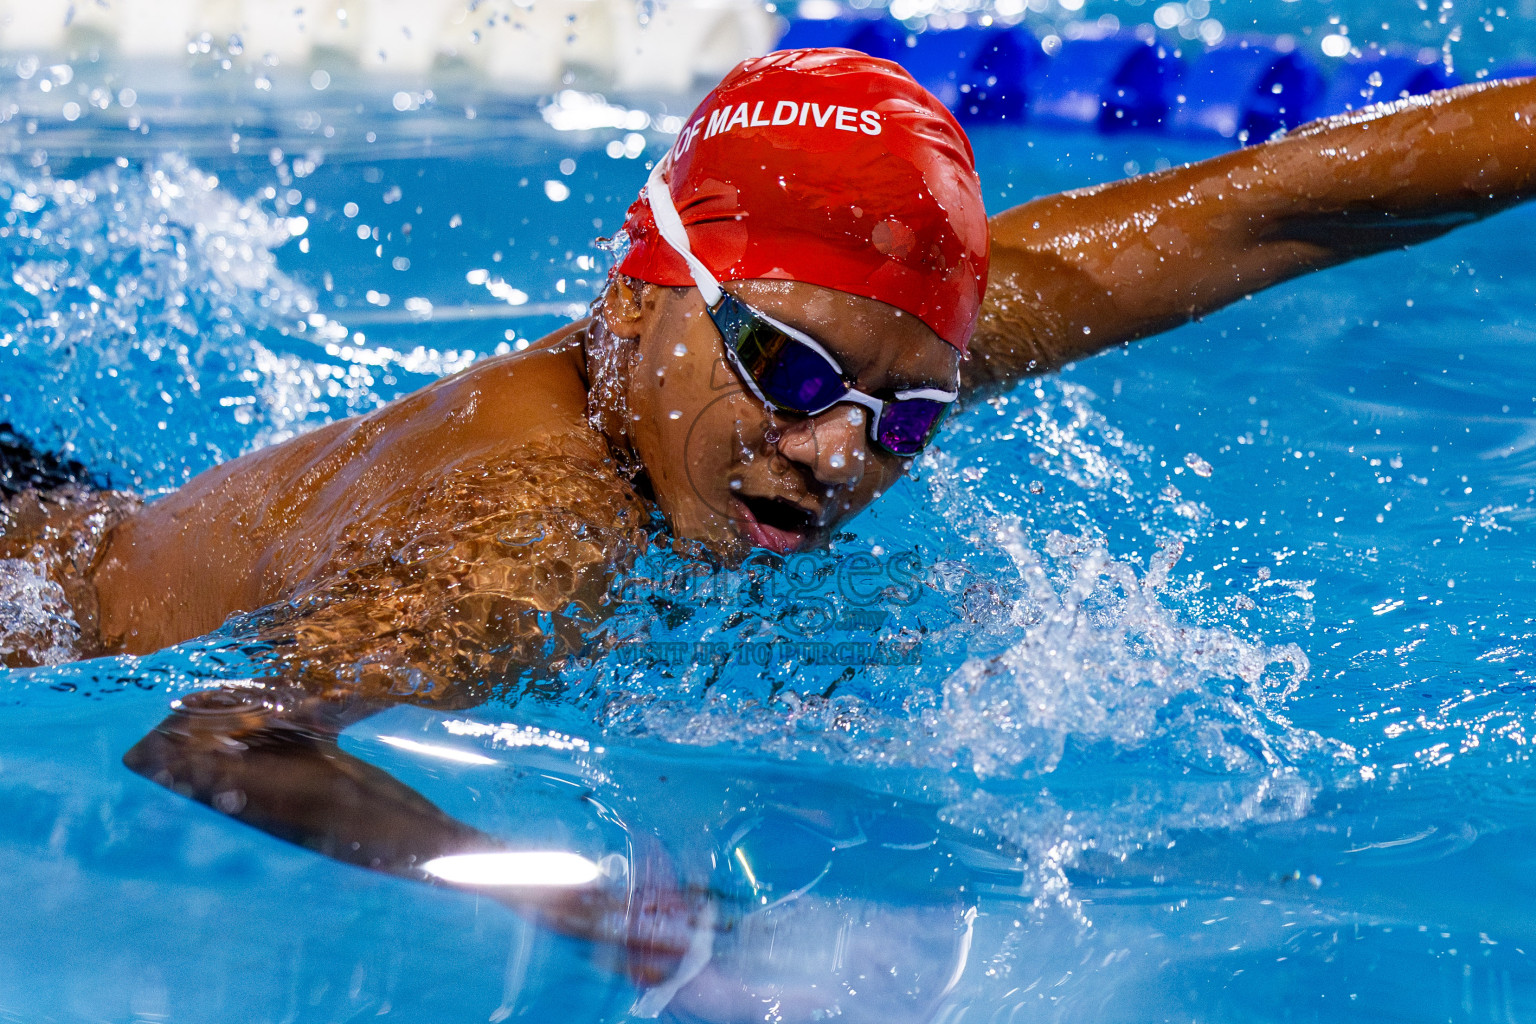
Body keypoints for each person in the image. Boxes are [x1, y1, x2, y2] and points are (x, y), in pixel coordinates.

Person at [4, 45, 1536, 1016]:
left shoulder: (857, 341)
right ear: (635, 293)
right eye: (786, 373)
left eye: (909, 417)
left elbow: (1281, 206)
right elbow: (219, 743)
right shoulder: (516, 538)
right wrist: (606, 915)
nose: (830, 454)